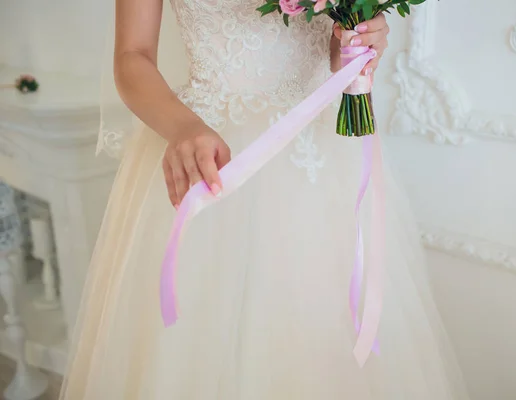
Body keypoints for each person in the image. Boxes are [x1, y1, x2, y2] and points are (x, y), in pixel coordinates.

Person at [60, 0, 471, 398]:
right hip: (213, 151)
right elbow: (132, 54)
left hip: (321, 156)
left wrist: (358, 39)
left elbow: (332, 51)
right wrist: (183, 128)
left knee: (325, 342)